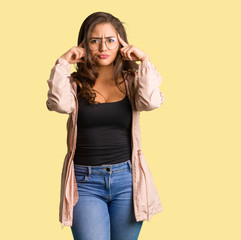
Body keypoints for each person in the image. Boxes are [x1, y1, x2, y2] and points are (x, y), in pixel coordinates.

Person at [46, 11, 165, 240]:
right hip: (84, 183)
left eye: (110, 40)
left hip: (127, 181)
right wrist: (63, 62)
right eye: (94, 41)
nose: (103, 48)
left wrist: (145, 60)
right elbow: (59, 104)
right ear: (84, 44)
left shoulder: (133, 81)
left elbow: (150, 102)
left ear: (121, 43)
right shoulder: (74, 84)